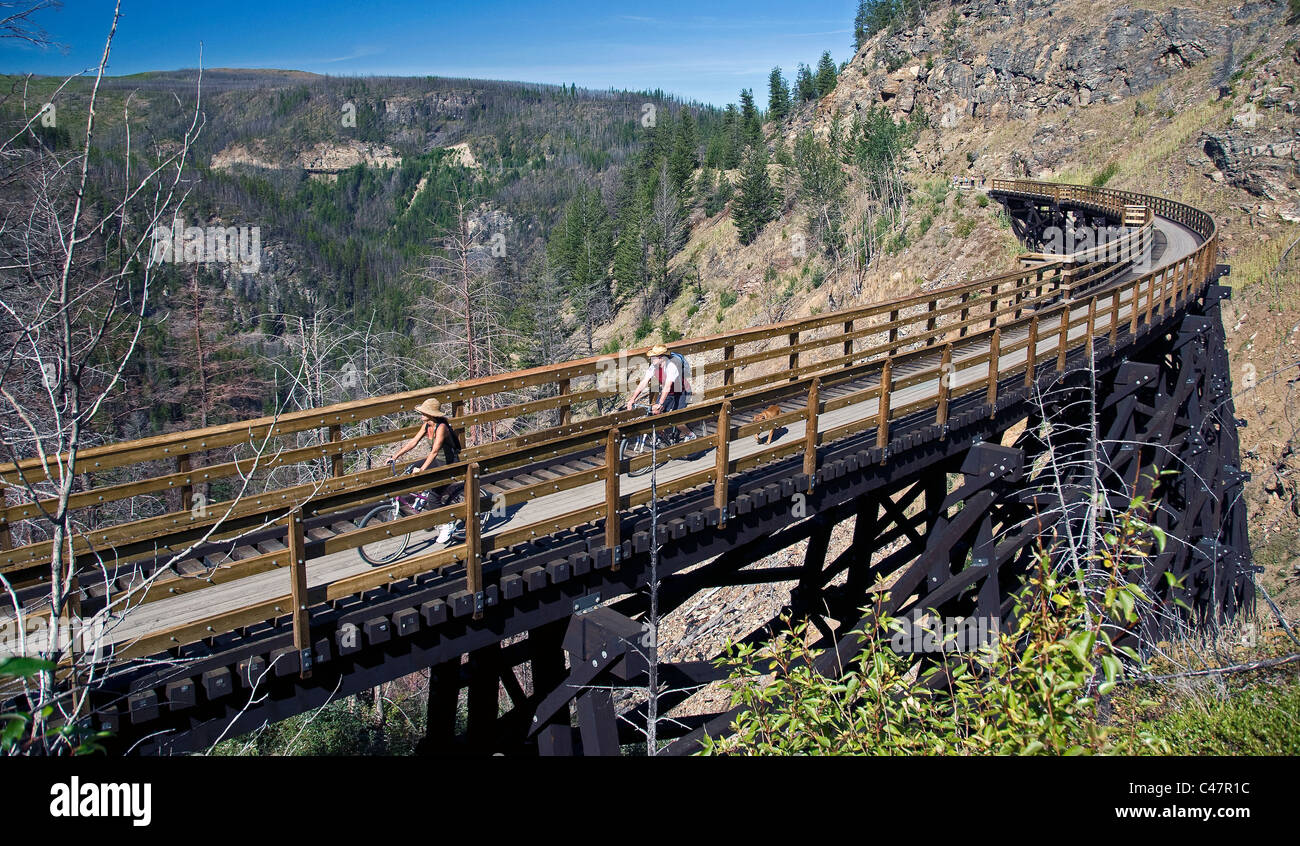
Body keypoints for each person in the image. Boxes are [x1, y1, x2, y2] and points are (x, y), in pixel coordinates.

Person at [389, 397, 463, 543]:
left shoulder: (441, 428)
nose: (421, 414)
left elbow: (434, 451)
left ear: (431, 414)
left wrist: (422, 469)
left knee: (434, 497)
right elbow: (413, 442)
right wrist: (395, 456)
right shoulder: (426, 425)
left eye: (424, 412)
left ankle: (446, 524)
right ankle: (424, 496)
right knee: (410, 469)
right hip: (437, 460)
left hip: (449, 463)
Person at [626, 344, 696, 442]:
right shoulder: (653, 367)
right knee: (655, 413)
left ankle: (690, 435)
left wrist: (660, 404)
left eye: (653, 357)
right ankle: (664, 436)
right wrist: (632, 399)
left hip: (682, 392)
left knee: (677, 420)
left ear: (661, 358)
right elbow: (644, 382)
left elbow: (667, 386)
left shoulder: (672, 366)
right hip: (669, 393)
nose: (650, 359)